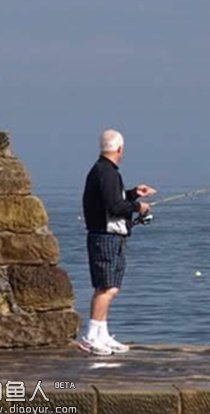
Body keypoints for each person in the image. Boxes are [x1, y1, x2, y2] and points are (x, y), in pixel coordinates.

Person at [80, 129, 156, 355]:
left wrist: (133, 193)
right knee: (104, 287)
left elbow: (113, 200)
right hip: (105, 235)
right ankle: (91, 336)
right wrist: (138, 207)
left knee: (111, 287)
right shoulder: (107, 172)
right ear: (120, 149)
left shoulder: (105, 172)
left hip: (111, 235)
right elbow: (114, 207)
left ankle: (102, 334)